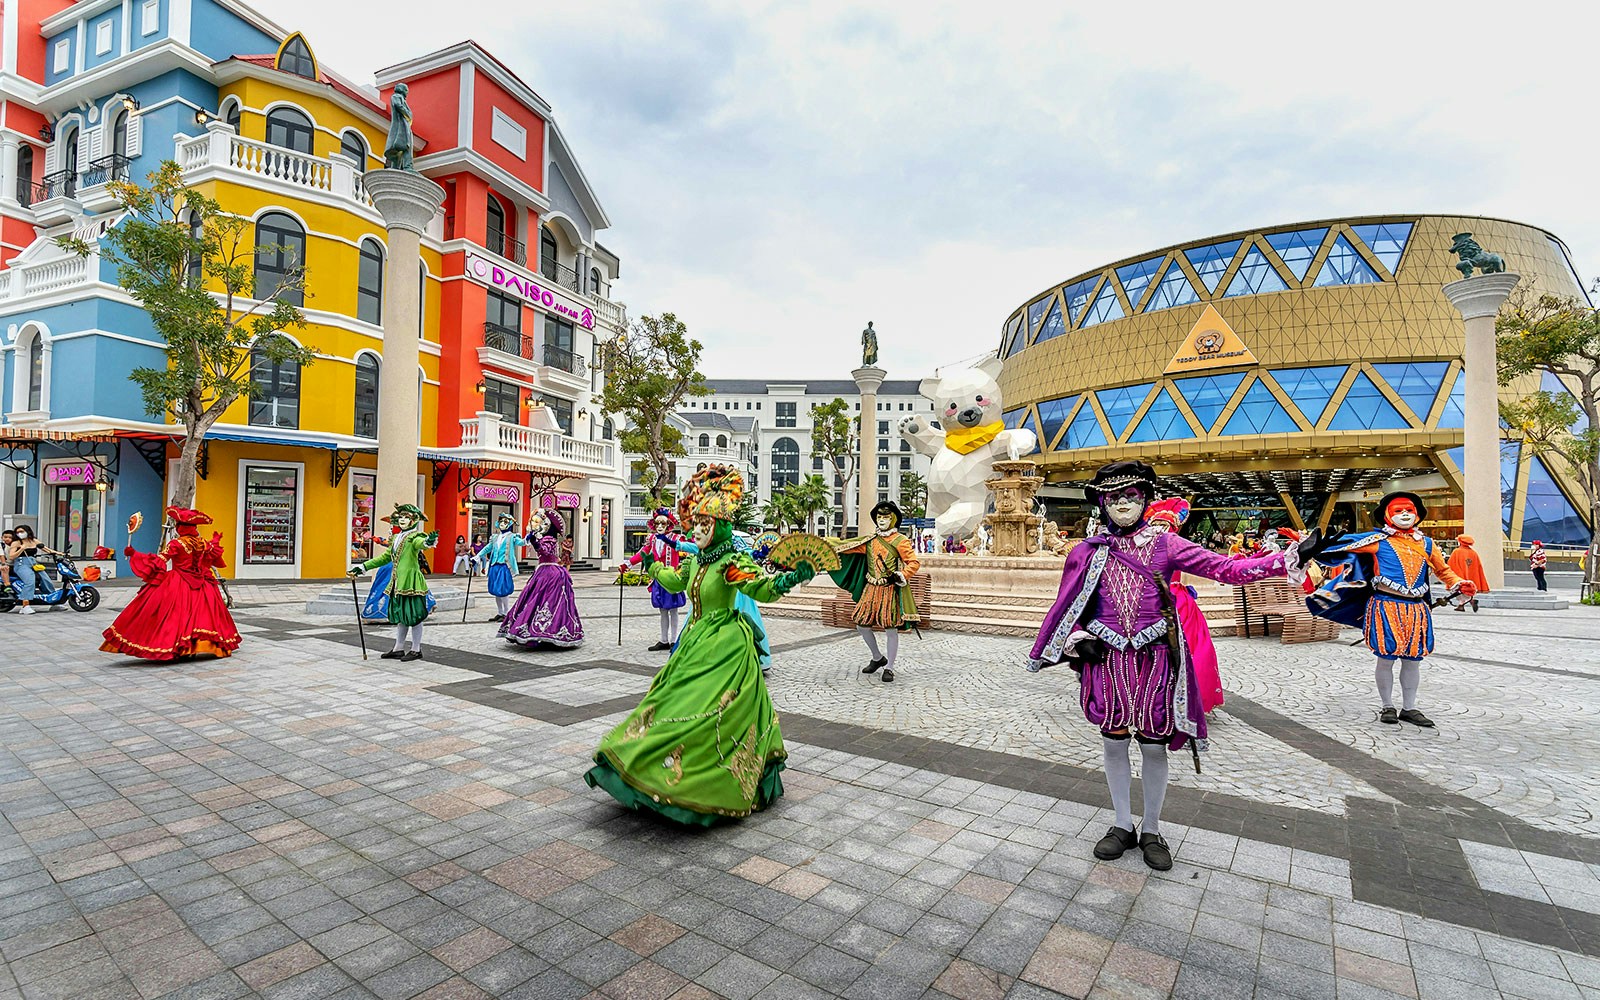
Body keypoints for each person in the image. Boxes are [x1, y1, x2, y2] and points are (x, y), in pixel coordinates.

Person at [1027, 462, 1327, 871]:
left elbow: (1226, 568)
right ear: (1102, 502)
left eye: (1131, 496)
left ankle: (1151, 829)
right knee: (1113, 741)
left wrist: (1285, 559)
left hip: (1156, 661)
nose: (1123, 504)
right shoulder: (1086, 551)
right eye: (1114, 497)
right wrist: (1079, 641)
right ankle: (1120, 824)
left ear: (1145, 499)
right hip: (1108, 660)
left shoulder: (1166, 544)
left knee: (1153, 744)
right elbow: (1069, 604)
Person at [585, 466, 816, 824]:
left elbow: (761, 589)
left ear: (720, 526)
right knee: (672, 698)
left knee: (712, 708)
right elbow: (676, 583)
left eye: (705, 525)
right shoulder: (696, 559)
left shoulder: (730, 562)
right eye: (696, 525)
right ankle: (650, 761)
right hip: (694, 639)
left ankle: (706, 777)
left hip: (726, 646)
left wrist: (791, 578)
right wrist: (651, 565)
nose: (698, 531)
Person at [1305, 492, 1473, 728]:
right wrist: (1308, 545)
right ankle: (1387, 705)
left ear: (1417, 514)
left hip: (1417, 608)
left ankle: (1410, 707)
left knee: (1413, 660)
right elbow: (1338, 546)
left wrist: (1458, 583)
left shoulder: (1427, 543)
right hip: (1386, 605)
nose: (1405, 514)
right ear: (1387, 515)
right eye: (1398, 510)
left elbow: (1443, 570)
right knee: (1386, 658)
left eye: (1409, 510)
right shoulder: (1376, 539)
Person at [100, 508, 241, 660]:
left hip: (179, 582)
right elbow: (212, 557)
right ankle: (194, 646)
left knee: (171, 615)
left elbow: (159, 560)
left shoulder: (176, 544)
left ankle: (175, 646)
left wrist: (135, 554)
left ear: (181, 527)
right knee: (201, 615)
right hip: (201, 582)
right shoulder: (203, 543)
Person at [1145, 498, 1224, 714]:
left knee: (1176, 650)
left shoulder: (1147, 549)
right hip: (1178, 601)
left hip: (1165, 601)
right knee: (1191, 648)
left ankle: (1163, 700)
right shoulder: (1176, 546)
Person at [830, 500, 920, 683]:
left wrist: (902, 574)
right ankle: (878, 657)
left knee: (891, 628)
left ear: (893, 519)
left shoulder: (901, 541)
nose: (881, 520)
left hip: (889, 589)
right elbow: (848, 547)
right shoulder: (870, 540)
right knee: (861, 624)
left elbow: (913, 563)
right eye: (879, 517)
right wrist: (827, 545)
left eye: (885, 517)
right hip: (870, 588)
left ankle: (890, 667)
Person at [349, 504, 437, 661]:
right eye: (401, 517)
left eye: (407, 517)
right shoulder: (397, 538)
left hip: (411, 583)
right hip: (397, 583)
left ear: (414, 520)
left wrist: (428, 541)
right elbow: (385, 558)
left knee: (414, 616)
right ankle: (399, 648)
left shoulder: (415, 536)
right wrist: (362, 567)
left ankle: (416, 649)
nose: (403, 520)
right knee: (402, 615)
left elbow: (421, 543)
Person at [500, 510, 584, 648]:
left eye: (537, 522)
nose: (534, 524)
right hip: (544, 572)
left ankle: (545, 632)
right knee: (537, 600)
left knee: (546, 601)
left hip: (550, 574)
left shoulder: (549, 539)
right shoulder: (547, 539)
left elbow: (544, 551)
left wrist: (534, 541)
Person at [621, 508, 687, 651]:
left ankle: (674, 640)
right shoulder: (651, 539)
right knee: (662, 610)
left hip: (671, 579)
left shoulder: (676, 539)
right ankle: (663, 640)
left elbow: (687, 549)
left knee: (673, 610)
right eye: (657, 524)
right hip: (658, 579)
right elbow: (642, 553)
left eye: (663, 524)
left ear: (669, 524)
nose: (660, 527)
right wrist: (627, 564)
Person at [474, 513, 521, 622]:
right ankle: (500, 612)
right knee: (495, 590)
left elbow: (522, 543)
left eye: (505, 522)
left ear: (509, 524)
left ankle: (506, 613)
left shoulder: (512, 536)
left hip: (504, 566)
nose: (502, 524)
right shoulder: (495, 537)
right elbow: (487, 548)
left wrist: (530, 537)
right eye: (501, 522)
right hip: (494, 566)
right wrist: (478, 555)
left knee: (503, 590)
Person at [1447, 535, 1489, 611]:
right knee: (1466, 590)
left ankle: (1465, 603)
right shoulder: (1474, 553)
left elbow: (1450, 563)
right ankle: (1466, 603)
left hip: (1459, 575)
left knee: (1459, 591)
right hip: (1471, 576)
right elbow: (1478, 566)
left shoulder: (1456, 551)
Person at [7, 525, 42, 615]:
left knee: (45, 579)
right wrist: (22, 549)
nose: (20, 533)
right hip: (21, 564)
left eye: (22, 531)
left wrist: (59, 553)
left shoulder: (33, 540)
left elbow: (45, 548)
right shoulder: (16, 543)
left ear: (27, 531)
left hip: (33, 563)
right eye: (18, 532)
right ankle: (25, 606)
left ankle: (54, 602)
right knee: (30, 581)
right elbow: (11, 556)